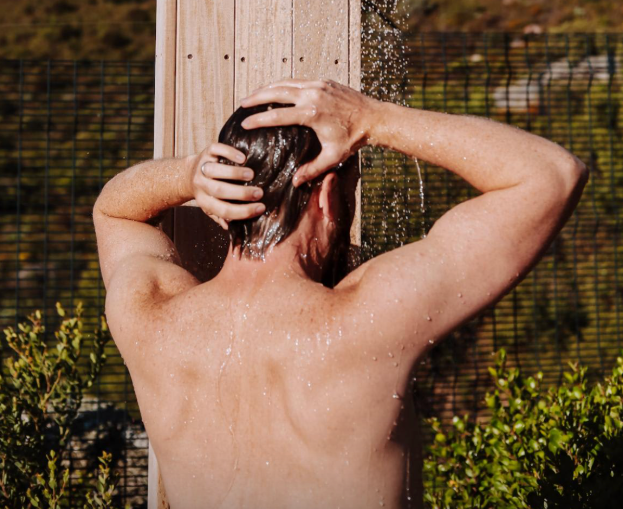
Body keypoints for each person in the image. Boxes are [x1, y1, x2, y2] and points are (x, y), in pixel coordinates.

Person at [93, 79, 588, 509]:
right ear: (331, 196)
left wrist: (187, 175)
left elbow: (113, 210)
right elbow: (551, 175)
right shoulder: (366, 317)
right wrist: (372, 119)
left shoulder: (152, 317)